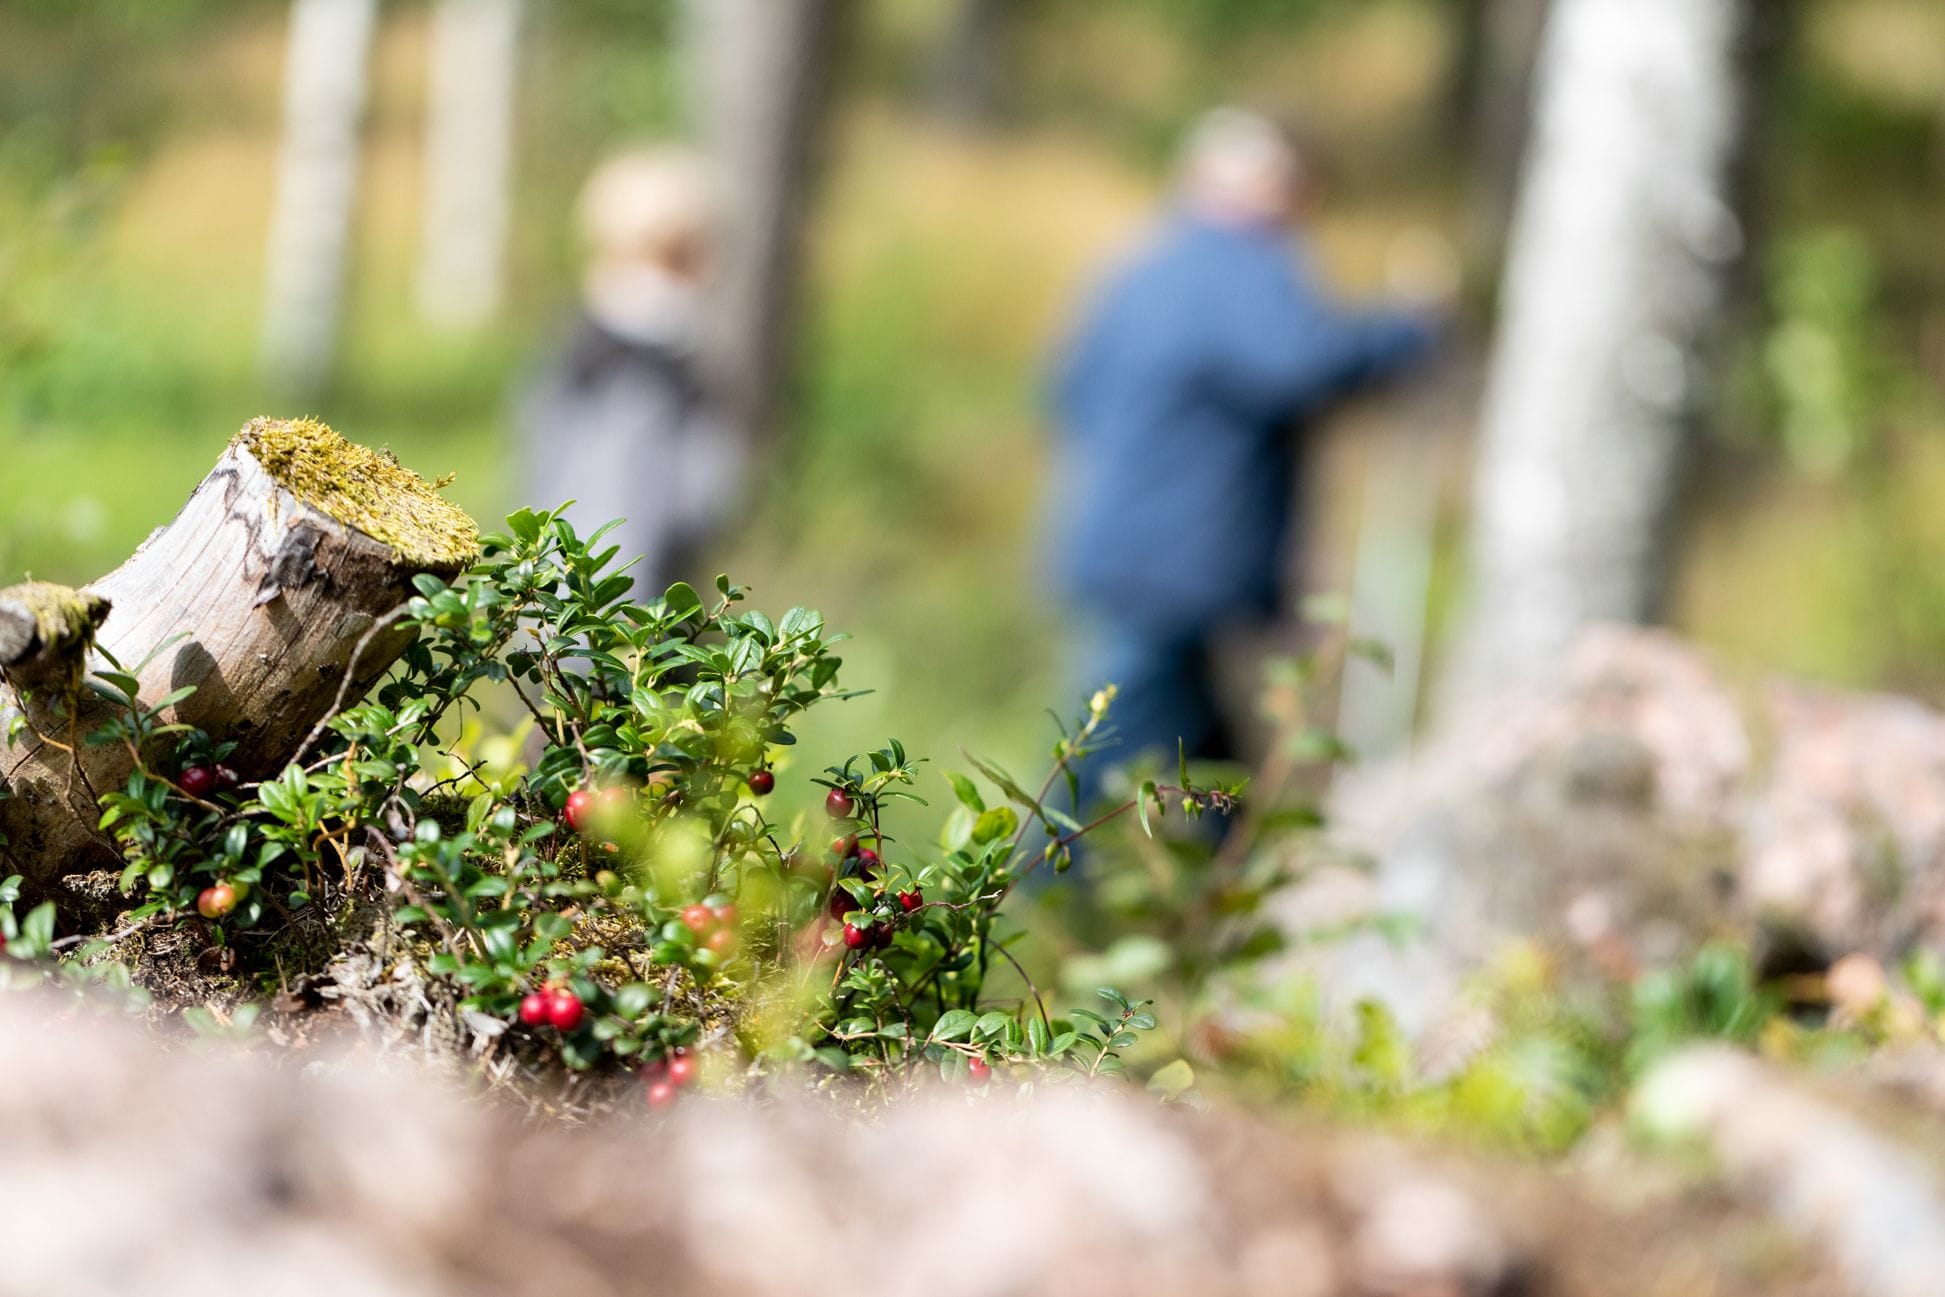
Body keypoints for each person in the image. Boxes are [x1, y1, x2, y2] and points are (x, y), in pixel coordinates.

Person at [1048, 108, 1443, 810]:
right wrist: (1406, 331)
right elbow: (1301, 360)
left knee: (1204, 763)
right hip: (1173, 565)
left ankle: (1221, 902)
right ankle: (1012, 899)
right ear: (1272, 187)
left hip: (1123, 544)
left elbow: (1062, 391)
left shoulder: (1143, 264)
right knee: (1095, 760)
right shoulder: (1239, 264)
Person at [519, 147, 742, 597]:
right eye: (690, 254)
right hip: (622, 615)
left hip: (559, 601)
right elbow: (695, 499)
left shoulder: (575, 347)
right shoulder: (653, 367)